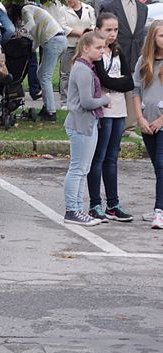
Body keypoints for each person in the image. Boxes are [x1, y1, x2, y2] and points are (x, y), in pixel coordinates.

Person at [87, 12, 135, 223]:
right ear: (98, 30)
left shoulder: (117, 52)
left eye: (115, 30)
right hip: (104, 109)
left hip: (119, 110)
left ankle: (113, 203)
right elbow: (103, 79)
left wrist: (114, 83)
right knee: (99, 155)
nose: (112, 34)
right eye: (108, 30)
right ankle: (95, 203)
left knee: (112, 157)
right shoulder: (98, 54)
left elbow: (129, 82)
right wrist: (116, 82)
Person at [62, 31, 111, 226]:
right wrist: (105, 100)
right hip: (81, 124)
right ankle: (72, 210)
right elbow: (87, 101)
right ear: (85, 48)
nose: (102, 51)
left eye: (103, 47)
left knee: (83, 169)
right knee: (78, 169)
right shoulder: (82, 69)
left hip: (86, 124)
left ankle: (77, 209)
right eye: (98, 48)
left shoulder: (85, 68)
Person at [102, 0, 148, 135]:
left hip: (136, 52)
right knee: (116, 87)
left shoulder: (143, 8)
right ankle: (113, 122)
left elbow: (139, 33)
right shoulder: (110, 7)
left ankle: (129, 126)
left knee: (134, 87)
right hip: (117, 52)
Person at [8, 3, 67, 121]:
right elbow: (36, 38)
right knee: (41, 74)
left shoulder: (26, 9)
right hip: (59, 40)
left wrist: (21, 32)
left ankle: (50, 112)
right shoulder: (34, 11)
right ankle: (47, 107)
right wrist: (31, 50)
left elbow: (31, 24)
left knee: (45, 76)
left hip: (53, 41)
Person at [132, 20, 163, 228]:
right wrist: (140, 118)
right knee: (157, 167)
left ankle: (158, 211)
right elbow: (136, 92)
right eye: (161, 35)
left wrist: (161, 120)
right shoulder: (144, 61)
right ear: (153, 37)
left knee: (162, 164)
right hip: (147, 121)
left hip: (161, 122)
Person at [54, 0, 96, 107]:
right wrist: (79, 33)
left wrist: (87, 33)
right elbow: (63, 26)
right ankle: (65, 101)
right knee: (65, 73)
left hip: (86, 45)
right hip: (69, 44)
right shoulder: (62, 10)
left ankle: (85, 97)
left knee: (87, 71)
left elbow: (93, 24)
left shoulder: (88, 9)